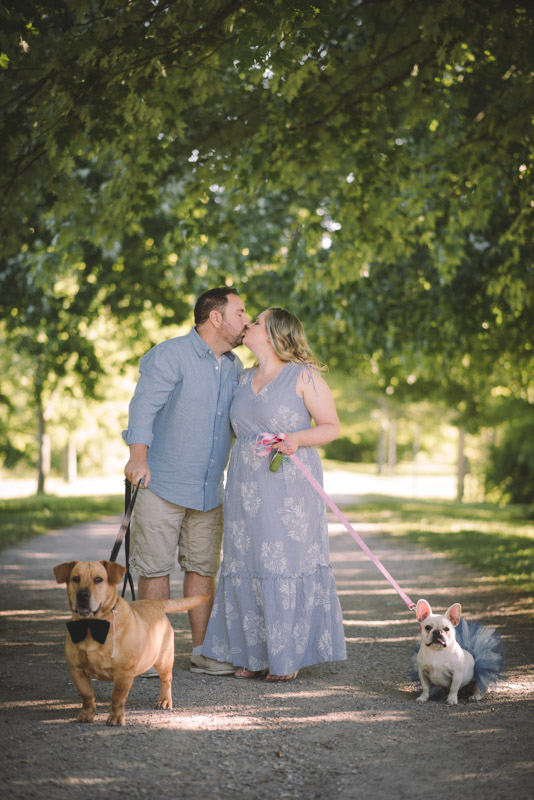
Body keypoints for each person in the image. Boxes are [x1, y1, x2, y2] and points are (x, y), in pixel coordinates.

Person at [201, 308, 347, 680]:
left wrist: (297, 438)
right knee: (246, 561)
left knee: (284, 562)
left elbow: (331, 427)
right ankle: (254, 655)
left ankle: (287, 658)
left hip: (289, 484)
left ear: (273, 333)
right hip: (245, 483)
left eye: (256, 320)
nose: (247, 322)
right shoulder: (242, 376)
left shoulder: (303, 375)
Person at [122, 287, 249, 676]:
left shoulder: (234, 367)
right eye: (241, 313)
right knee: (156, 568)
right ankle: (150, 651)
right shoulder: (170, 354)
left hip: (209, 488)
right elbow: (143, 407)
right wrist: (137, 458)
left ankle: (202, 651)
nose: (247, 320)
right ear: (216, 318)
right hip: (161, 483)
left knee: (202, 568)